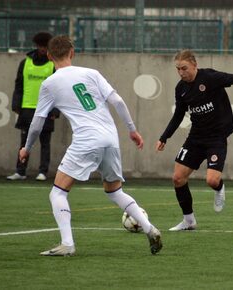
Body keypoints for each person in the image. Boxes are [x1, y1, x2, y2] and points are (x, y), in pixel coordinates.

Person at [19, 35, 162, 256]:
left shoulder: (49, 83)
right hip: (110, 138)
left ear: (49, 56)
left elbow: (38, 121)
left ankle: (67, 244)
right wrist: (132, 129)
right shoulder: (91, 73)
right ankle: (149, 228)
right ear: (72, 52)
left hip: (86, 139)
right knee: (115, 192)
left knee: (58, 193)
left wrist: (27, 147)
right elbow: (118, 101)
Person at [156, 49, 233, 231]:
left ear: (194, 65)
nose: (181, 73)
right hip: (195, 138)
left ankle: (219, 188)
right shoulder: (181, 89)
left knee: (211, 180)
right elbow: (179, 115)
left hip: (216, 138)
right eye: (178, 69)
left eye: (184, 68)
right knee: (178, 178)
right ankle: (189, 221)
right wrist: (164, 137)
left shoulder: (210, 78)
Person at [7, 31, 60, 181]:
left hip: (47, 109)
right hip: (27, 108)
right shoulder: (25, 63)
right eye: (40, 46)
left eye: (45, 46)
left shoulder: (53, 65)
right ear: (36, 46)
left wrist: (56, 110)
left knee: (45, 142)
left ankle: (43, 171)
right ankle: (20, 171)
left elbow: (59, 88)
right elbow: (19, 85)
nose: (43, 49)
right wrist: (16, 105)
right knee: (24, 142)